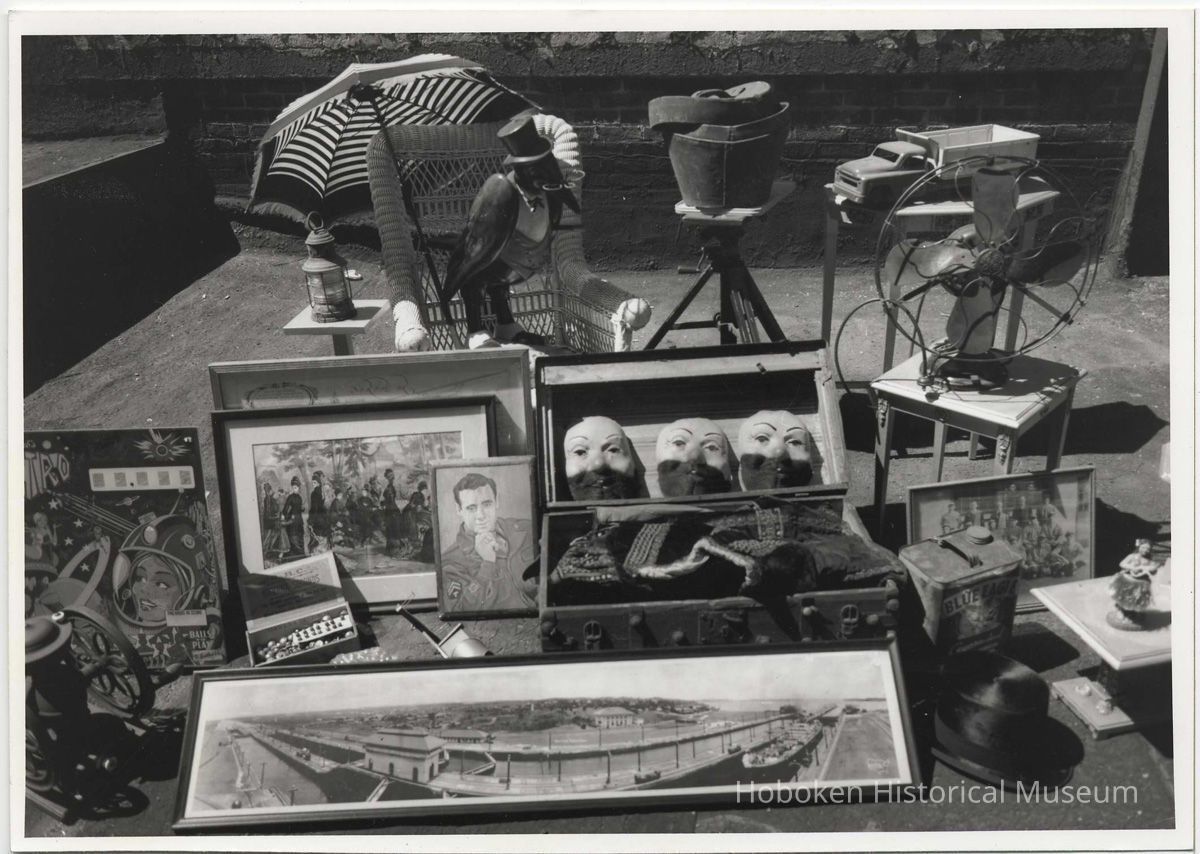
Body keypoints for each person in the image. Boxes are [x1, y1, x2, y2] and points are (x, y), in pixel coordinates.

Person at [440, 472, 536, 613]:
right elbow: (459, 611)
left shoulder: (527, 530)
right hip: (500, 631)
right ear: (459, 510)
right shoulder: (450, 562)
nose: (481, 515)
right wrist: (487, 565)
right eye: (471, 508)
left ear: (497, 501)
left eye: (487, 504)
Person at [281, 477, 306, 557]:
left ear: (298, 488)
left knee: (300, 534)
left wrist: (302, 509)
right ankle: (296, 552)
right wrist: (284, 515)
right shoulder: (290, 497)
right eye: (293, 487)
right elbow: (286, 508)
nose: (294, 489)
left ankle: (300, 552)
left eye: (296, 487)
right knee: (293, 535)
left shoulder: (299, 497)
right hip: (293, 519)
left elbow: (299, 508)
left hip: (299, 519)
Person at [383, 469, 402, 556]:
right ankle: (393, 548)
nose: (392, 477)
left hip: (392, 509)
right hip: (390, 510)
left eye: (392, 475)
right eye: (390, 476)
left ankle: (394, 547)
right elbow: (388, 499)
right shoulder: (388, 487)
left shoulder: (392, 486)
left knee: (395, 527)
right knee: (392, 527)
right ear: (387, 477)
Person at [308, 471, 329, 551]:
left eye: (315, 482)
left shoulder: (314, 493)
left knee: (316, 536)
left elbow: (314, 508)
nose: (313, 484)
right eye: (312, 482)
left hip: (317, 517)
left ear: (318, 483)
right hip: (323, 516)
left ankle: (317, 552)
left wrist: (311, 520)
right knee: (323, 536)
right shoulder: (322, 492)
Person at [260, 482, 281, 558]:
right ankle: (266, 551)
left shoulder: (268, 498)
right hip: (269, 520)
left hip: (269, 520)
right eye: (271, 490)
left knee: (271, 535)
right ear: (269, 491)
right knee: (269, 535)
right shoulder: (268, 499)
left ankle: (268, 549)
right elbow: (270, 511)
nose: (272, 491)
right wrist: (275, 516)